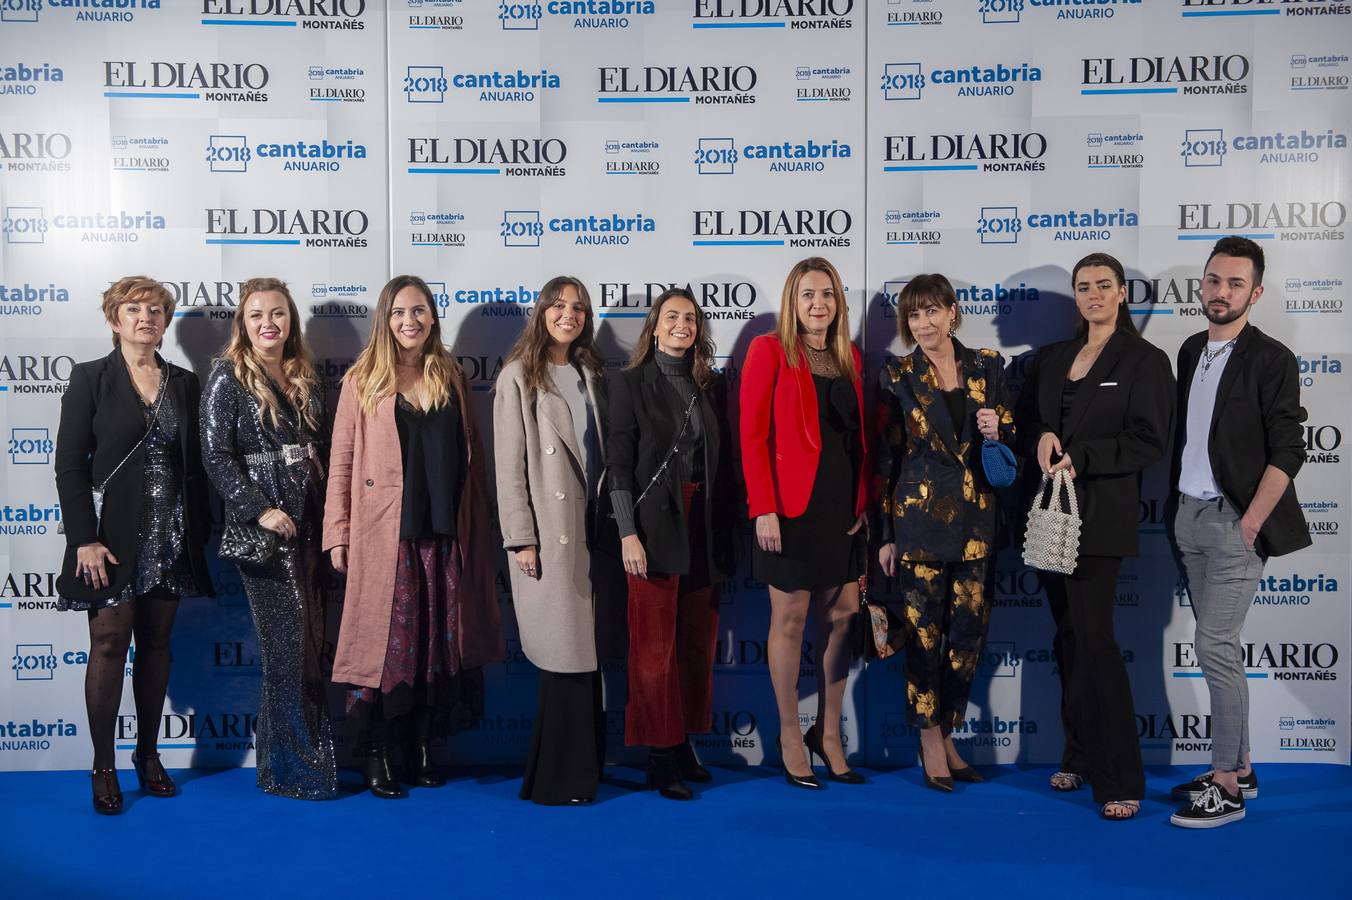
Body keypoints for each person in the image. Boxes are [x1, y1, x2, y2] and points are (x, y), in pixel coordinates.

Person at [324, 275, 503, 799]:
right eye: (400, 312)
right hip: (386, 537)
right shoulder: (363, 379)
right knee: (385, 650)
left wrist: (481, 527)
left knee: (436, 648)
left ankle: (424, 747)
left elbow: (472, 456)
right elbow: (341, 461)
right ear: (386, 318)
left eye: (420, 311)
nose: (411, 321)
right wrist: (338, 533)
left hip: (446, 535)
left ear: (432, 317)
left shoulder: (450, 374)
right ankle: (378, 753)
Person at [1017, 252, 1175, 820]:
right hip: (1049, 515)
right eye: (1083, 287)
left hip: (1100, 520)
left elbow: (1149, 440)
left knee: (1096, 640)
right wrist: (1040, 436)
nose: (1093, 296)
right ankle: (1079, 753)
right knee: (1067, 637)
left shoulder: (1144, 360)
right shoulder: (1056, 357)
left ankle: (1119, 778)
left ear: (1122, 293)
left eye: (1103, 286)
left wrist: (1081, 455)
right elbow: (1033, 419)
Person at [54, 275, 214, 814]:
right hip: (109, 540)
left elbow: (196, 465)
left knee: (157, 645)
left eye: (156, 309)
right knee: (107, 644)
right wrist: (84, 539)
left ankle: (148, 755)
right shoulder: (90, 379)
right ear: (114, 319)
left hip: (171, 537)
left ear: (166, 322)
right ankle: (103, 764)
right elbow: (69, 466)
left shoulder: (186, 383)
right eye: (134, 308)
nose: (146, 317)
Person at [1167, 237, 1310, 829]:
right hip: (1187, 517)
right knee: (1217, 645)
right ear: (1202, 285)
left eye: (1233, 284)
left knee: (1214, 646)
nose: (1220, 292)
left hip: (1235, 523)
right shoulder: (1189, 349)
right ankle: (1244, 767)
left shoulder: (1272, 359)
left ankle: (1224, 783)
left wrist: (1251, 520)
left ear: (1254, 292)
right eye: (1212, 281)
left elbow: (1290, 448)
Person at [876, 275, 1015, 792]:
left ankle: (949, 730)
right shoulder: (897, 375)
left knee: (966, 639)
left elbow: (1012, 437)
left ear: (953, 312)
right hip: (918, 527)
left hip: (978, 525)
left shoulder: (988, 366)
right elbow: (885, 461)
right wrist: (886, 535)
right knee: (924, 637)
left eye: (933, 311)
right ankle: (930, 738)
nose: (924, 324)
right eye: (914, 316)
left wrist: (997, 430)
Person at [200, 277, 337, 800]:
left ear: (290, 320)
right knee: (286, 649)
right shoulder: (227, 376)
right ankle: (295, 771)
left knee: (304, 646)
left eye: (277, 313)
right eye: (257, 315)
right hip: (267, 533)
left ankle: (289, 766)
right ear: (243, 323)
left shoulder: (303, 374)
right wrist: (260, 509)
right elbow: (215, 455)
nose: (268, 324)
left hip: (309, 522)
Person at [740, 257, 870, 790]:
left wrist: (863, 502)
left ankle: (829, 735)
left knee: (843, 618)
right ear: (793, 301)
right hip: (788, 511)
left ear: (839, 303)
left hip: (843, 511)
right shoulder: (768, 351)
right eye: (808, 295)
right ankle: (791, 735)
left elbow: (859, 440)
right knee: (790, 620)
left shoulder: (851, 357)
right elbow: (751, 436)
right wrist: (762, 506)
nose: (819, 305)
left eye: (828, 295)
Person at [607, 288, 736, 800]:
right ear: (654, 328)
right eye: (672, 317)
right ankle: (659, 757)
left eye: (690, 318)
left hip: (703, 523)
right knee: (653, 646)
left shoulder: (707, 386)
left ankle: (682, 742)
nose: (682, 324)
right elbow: (618, 463)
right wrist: (626, 532)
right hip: (653, 526)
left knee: (694, 643)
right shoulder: (629, 383)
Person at [493, 276, 610, 806]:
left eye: (579, 307)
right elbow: (508, 467)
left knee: (588, 655)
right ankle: (557, 780)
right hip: (549, 531)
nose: (570, 315)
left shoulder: (592, 373)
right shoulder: (519, 376)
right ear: (541, 313)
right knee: (564, 655)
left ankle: (585, 772)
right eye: (559, 306)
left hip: (595, 531)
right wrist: (521, 539)